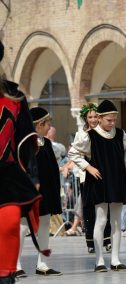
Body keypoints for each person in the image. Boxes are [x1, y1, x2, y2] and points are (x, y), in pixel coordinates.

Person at [69, 100, 126, 272]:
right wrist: (88, 167)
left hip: (116, 180)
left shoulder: (120, 134)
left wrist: (124, 163)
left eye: (114, 120)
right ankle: (99, 261)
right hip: (99, 181)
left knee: (117, 221)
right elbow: (73, 152)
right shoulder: (90, 135)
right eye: (109, 120)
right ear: (101, 118)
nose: (112, 123)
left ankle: (116, 260)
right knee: (101, 219)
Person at [0, 40, 42, 283]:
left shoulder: (14, 97)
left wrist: (34, 177)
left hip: (7, 179)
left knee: (9, 226)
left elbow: (26, 141)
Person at [17, 107, 63, 277]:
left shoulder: (48, 143)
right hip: (28, 192)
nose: (49, 126)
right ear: (39, 124)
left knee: (44, 224)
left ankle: (42, 264)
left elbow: (50, 169)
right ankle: (15, 265)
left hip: (46, 192)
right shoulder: (25, 144)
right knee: (22, 226)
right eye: (47, 123)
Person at [67, 103, 112, 254]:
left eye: (95, 116)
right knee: (89, 209)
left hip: (103, 174)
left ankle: (107, 240)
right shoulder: (82, 134)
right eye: (90, 117)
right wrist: (87, 167)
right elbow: (76, 154)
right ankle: (91, 242)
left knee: (106, 207)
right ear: (86, 119)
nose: (93, 119)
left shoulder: (105, 132)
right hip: (86, 175)